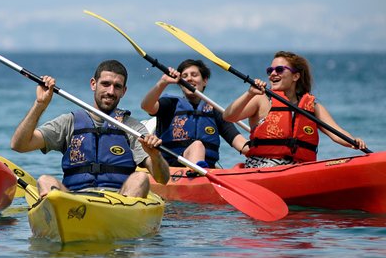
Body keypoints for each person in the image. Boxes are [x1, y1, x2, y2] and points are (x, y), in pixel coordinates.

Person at [10, 59, 169, 198]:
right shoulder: (69, 122)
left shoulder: (133, 128)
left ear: (123, 91)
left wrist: (155, 156)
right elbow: (19, 145)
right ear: (93, 84)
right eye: (105, 84)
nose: (110, 91)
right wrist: (40, 105)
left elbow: (163, 178)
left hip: (119, 203)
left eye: (117, 86)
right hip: (75, 201)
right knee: (45, 180)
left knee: (140, 178)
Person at [223, 50, 367, 168]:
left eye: (279, 69)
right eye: (270, 70)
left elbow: (337, 133)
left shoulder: (313, 107)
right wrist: (249, 94)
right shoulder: (261, 99)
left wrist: (354, 142)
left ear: (295, 76)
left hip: (298, 168)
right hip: (262, 167)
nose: (272, 74)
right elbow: (228, 117)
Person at [140, 59, 249, 169]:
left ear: (205, 80)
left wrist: (261, 148)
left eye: (194, 75)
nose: (189, 78)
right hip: (174, 169)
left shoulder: (215, 111)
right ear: (180, 83)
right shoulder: (170, 104)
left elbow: (240, 143)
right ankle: (197, 172)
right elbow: (146, 106)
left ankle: (200, 171)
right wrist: (163, 82)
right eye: (185, 76)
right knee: (197, 145)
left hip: (207, 170)